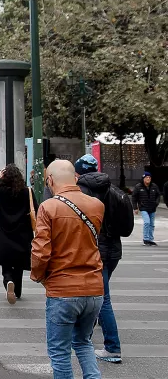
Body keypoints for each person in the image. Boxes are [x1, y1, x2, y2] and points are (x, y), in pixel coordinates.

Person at [31, 160, 109, 379]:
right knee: (84, 342)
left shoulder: (48, 207)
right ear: (75, 177)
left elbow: (41, 251)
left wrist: (38, 276)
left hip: (64, 289)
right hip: (94, 288)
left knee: (59, 351)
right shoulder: (96, 206)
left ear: (50, 180)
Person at [74, 154, 123, 363]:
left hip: (97, 250)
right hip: (114, 250)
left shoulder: (84, 193)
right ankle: (88, 333)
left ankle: (112, 346)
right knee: (99, 294)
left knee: (102, 299)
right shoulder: (113, 190)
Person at [0, 164, 38, 305]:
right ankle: (17, 290)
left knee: (6, 260)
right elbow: (35, 208)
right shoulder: (26, 191)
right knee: (18, 261)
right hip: (22, 232)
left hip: (4, 230)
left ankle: (8, 280)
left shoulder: (2, 190)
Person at [132, 171, 160, 246]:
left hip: (152, 208)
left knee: (152, 224)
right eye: (146, 177)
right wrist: (135, 208)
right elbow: (134, 197)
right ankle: (146, 238)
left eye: (149, 177)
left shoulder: (154, 186)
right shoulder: (138, 187)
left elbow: (158, 195)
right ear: (143, 178)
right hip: (143, 208)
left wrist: (156, 203)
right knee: (147, 222)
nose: (148, 179)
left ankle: (150, 239)